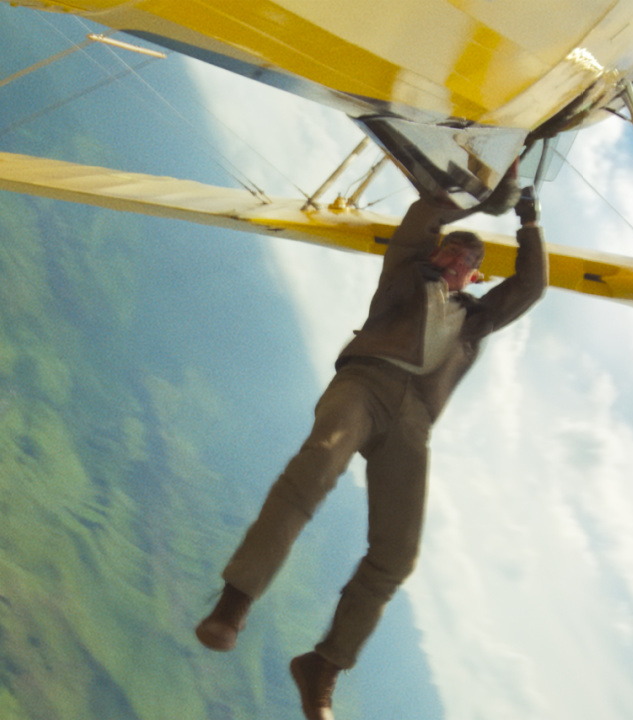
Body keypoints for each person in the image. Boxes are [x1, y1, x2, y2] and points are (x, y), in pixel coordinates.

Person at [196, 178, 547, 720]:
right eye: (451, 248)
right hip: (366, 384)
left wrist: (528, 217)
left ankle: (324, 666)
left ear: (475, 278)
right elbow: (420, 216)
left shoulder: (477, 320)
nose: (456, 258)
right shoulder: (406, 276)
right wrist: (482, 192)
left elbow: (530, 285)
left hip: (413, 424)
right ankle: (235, 601)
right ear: (437, 253)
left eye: (466, 260)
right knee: (315, 468)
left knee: (397, 553)